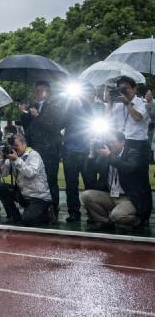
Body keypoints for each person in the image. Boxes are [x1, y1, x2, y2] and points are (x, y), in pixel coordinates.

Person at [82, 131, 152, 232]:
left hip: (130, 198)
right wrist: (92, 153)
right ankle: (105, 222)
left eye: (113, 142)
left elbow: (128, 168)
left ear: (122, 142)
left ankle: (137, 221)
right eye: (109, 142)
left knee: (117, 215)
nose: (110, 144)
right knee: (86, 195)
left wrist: (110, 155)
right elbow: (89, 172)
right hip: (111, 196)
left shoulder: (133, 153)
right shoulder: (105, 156)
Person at [19, 81, 63, 217]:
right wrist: (24, 113)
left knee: (50, 179)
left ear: (48, 92)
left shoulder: (56, 106)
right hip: (34, 148)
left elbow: (55, 126)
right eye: (36, 91)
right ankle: (38, 208)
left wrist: (37, 116)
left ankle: (53, 208)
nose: (38, 94)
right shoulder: (33, 106)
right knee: (35, 179)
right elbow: (28, 126)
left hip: (50, 150)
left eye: (41, 91)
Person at [0, 134, 53, 226]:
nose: (14, 148)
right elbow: (1, 173)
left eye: (16, 146)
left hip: (39, 197)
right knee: (1, 187)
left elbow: (31, 173)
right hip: (23, 195)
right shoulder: (13, 156)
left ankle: (48, 213)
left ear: (24, 144)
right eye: (12, 146)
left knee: (28, 220)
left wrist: (17, 160)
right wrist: (2, 158)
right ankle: (15, 217)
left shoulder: (33, 155)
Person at [62, 82, 98, 222]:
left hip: (88, 151)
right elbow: (62, 121)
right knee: (71, 184)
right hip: (70, 151)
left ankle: (93, 213)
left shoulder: (96, 109)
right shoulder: (70, 107)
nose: (88, 96)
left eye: (90, 93)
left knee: (90, 183)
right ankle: (73, 212)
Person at [108, 76, 150, 166]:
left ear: (134, 89)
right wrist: (110, 103)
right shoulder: (118, 106)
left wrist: (127, 103)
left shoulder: (143, 103)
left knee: (139, 173)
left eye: (125, 88)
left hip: (138, 143)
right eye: (120, 89)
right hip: (122, 143)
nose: (122, 91)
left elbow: (138, 117)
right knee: (123, 173)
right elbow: (107, 120)